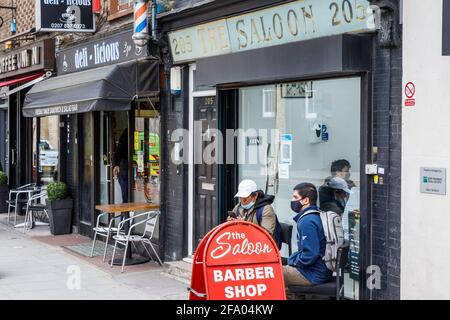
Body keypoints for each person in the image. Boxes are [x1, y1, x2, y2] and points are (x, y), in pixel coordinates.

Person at [283, 183, 332, 287]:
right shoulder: (315, 214)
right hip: (319, 271)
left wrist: (292, 261)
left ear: (305, 200)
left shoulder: (307, 221)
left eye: (295, 197)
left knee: (270, 273)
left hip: (312, 274)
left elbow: (309, 255)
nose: (292, 200)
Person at [113, 128, 129, 204]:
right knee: (126, 196)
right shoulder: (127, 132)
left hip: (125, 168)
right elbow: (119, 150)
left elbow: (119, 150)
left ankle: (126, 214)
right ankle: (126, 214)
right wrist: (116, 164)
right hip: (124, 168)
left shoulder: (127, 132)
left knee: (126, 195)